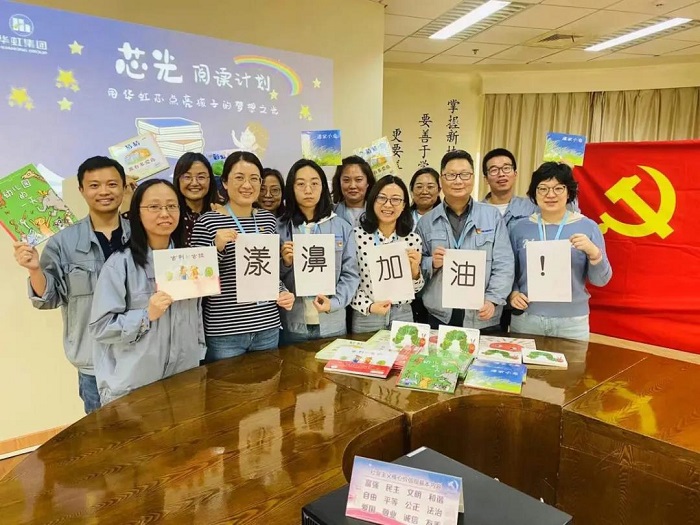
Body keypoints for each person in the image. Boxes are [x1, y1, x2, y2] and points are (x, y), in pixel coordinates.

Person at [12, 156, 130, 413]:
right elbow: (48, 298)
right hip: (92, 360)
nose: (104, 191)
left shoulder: (141, 236)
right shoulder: (63, 241)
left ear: (124, 187)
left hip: (140, 355)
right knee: (101, 432)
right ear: (81, 190)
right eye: (94, 185)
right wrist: (34, 269)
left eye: (112, 184)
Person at [89, 179, 204, 404]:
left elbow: (196, 315)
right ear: (137, 214)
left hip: (185, 378)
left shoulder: (189, 262)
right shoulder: (120, 264)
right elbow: (100, 327)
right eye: (154, 206)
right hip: (136, 385)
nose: (165, 213)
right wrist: (145, 315)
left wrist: (199, 351)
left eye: (172, 206)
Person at [190, 151, 294, 361]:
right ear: (225, 182)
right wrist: (216, 248)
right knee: (226, 382)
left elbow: (267, 272)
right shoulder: (207, 222)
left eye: (254, 178)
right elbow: (196, 281)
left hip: (267, 325)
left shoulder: (268, 220)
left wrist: (283, 292)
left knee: (269, 380)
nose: (247, 185)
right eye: (239, 177)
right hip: (225, 331)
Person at [508, 162, 612, 341]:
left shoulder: (588, 227)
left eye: (558, 188)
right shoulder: (519, 228)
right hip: (527, 318)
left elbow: (601, 280)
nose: (550, 195)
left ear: (569, 192)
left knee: (572, 361)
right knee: (525, 361)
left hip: (572, 322)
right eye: (543, 188)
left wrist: (594, 254)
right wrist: (513, 293)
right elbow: (509, 271)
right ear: (534, 193)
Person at [416, 150, 514, 332]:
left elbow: (504, 263)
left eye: (464, 174)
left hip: (482, 315)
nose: (458, 181)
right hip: (439, 316)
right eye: (451, 175)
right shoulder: (426, 222)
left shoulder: (492, 216)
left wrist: (492, 299)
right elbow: (414, 267)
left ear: (473, 178)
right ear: (441, 180)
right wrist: (431, 263)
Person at [278, 159, 360, 342]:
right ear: (291, 188)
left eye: (314, 183)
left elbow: (351, 274)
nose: (308, 190)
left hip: (332, 321)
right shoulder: (280, 228)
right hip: (293, 322)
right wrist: (285, 263)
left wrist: (334, 302)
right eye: (301, 184)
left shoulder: (341, 227)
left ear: (323, 187)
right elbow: (271, 278)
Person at [350, 176, 424, 332]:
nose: (388, 205)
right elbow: (349, 280)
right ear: (373, 201)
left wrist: (415, 272)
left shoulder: (413, 240)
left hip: (403, 313)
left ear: (404, 205)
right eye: (382, 198)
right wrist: (369, 306)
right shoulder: (356, 237)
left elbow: (416, 289)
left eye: (395, 199)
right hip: (367, 315)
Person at [172, 152, 221, 246]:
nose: (194, 183)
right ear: (178, 180)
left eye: (201, 177)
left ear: (210, 180)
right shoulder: (171, 214)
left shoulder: (221, 212)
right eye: (187, 177)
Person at [331, 155, 376, 227]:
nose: (352, 186)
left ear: (368, 182)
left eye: (358, 180)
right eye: (346, 180)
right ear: (339, 182)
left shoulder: (378, 212)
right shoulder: (330, 213)